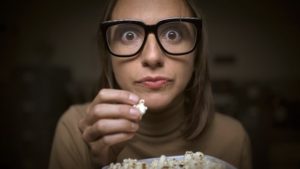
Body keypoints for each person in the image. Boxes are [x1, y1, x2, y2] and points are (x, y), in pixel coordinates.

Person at [49, 0, 252, 168]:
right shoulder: (75, 131)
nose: (153, 57)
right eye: (129, 35)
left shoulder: (232, 139)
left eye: (173, 34)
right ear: (108, 56)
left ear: (196, 55)